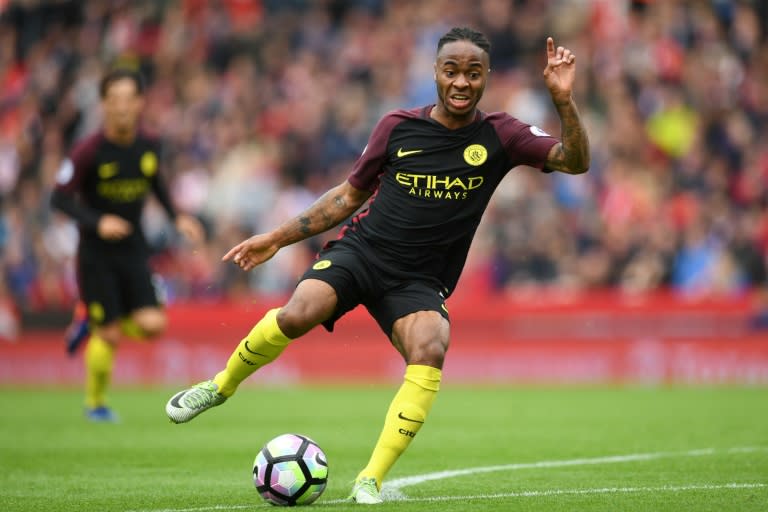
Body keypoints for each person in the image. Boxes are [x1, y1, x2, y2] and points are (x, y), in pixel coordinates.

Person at [166, 27, 589, 503]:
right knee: (297, 313)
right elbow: (348, 197)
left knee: (431, 346)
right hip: (362, 253)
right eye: (451, 71)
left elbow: (575, 161)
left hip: (418, 280)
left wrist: (564, 101)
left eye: (473, 73)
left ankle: (370, 479)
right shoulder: (397, 126)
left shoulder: (502, 134)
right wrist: (277, 239)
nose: (461, 82)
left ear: (486, 77)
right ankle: (220, 387)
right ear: (435, 72)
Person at [51, 68, 204, 422]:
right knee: (111, 335)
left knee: (153, 325)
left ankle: (89, 321)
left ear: (139, 103)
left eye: (128, 99)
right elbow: (59, 199)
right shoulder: (87, 151)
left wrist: (176, 215)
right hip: (96, 254)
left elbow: (155, 181)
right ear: (103, 104)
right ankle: (96, 404)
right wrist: (97, 221)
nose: (121, 107)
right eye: (114, 99)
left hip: (134, 249)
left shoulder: (148, 144)